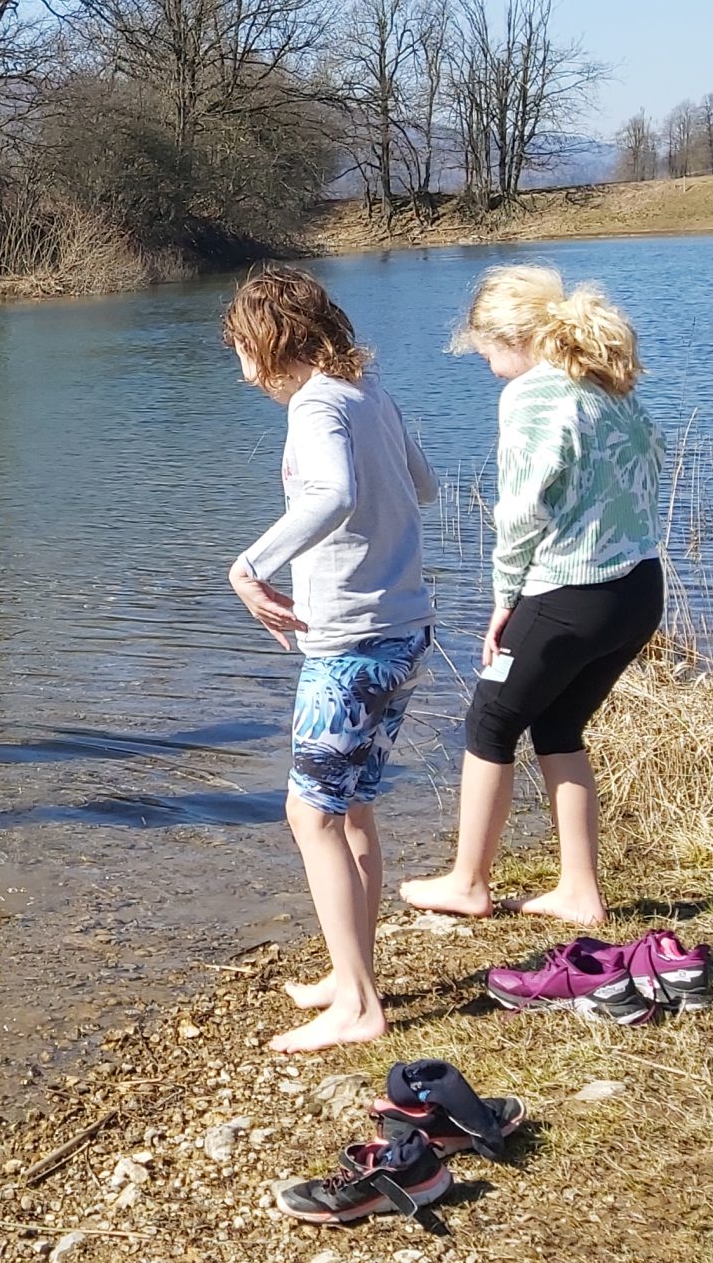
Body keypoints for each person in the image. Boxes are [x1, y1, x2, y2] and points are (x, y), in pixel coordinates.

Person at [401, 266, 664, 929]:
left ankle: (467, 882)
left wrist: (504, 598)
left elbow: (519, 511)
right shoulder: (606, 384)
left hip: (571, 593)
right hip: (637, 589)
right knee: (556, 726)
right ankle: (579, 891)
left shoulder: (535, 394)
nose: (490, 369)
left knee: (489, 722)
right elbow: (650, 464)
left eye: (486, 353)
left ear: (511, 337)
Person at [222, 266, 437, 1053]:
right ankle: (352, 978)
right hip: (405, 628)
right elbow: (426, 483)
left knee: (309, 813)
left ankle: (358, 1009)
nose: (241, 371)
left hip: (351, 645)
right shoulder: (367, 392)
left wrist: (251, 565)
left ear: (269, 341)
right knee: (350, 808)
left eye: (241, 349)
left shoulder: (316, 404)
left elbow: (333, 496)